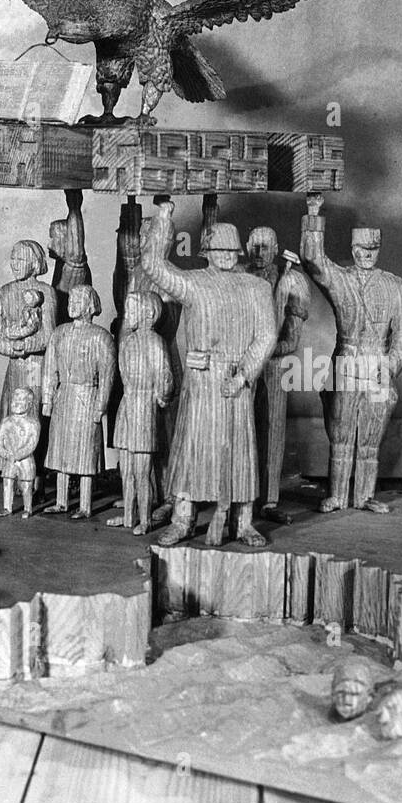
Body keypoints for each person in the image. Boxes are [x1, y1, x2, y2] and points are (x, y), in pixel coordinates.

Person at [142, 199, 277, 547]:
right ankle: (183, 519)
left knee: (241, 452)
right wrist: (164, 217)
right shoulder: (194, 283)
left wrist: (244, 375)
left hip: (237, 378)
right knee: (191, 448)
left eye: (232, 249)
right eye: (219, 248)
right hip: (202, 380)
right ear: (206, 251)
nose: (227, 254)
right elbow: (153, 265)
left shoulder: (257, 288)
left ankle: (244, 522)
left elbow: (266, 335)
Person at [300, 194, 402, 513]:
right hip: (347, 364)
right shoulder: (342, 280)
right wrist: (312, 213)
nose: (367, 255)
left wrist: (389, 366)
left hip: (377, 366)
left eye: (373, 250)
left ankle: (364, 496)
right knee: (342, 436)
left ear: (379, 250)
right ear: (353, 250)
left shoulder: (397, 287)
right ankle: (337, 495)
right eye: (362, 250)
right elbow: (313, 260)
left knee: (369, 442)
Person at [245, 225, 310, 523]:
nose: (259, 253)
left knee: (272, 429)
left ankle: (269, 500)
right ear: (246, 247)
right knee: (240, 428)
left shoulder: (290, 281)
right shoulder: (239, 277)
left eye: (266, 247)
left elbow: (292, 339)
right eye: (255, 246)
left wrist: (266, 349)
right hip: (244, 362)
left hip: (273, 365)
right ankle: (241, 494)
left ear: (276, 248)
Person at [42, 285, 116, 520]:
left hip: (87, 398)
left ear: (90, 306)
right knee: (61, 451)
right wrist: (47, 399)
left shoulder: (101, 337)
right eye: (71, 299)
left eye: (78, 300)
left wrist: (100, 407)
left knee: (85, 454)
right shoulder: (59, 333)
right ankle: (61, 501)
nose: (72, 304)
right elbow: (50, 369)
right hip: (64, 396)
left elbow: (107, 376)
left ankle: (85, 505)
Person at [0, 239, 56, 470]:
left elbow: (49, 337)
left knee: (34, 417)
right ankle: (12, 473)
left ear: (35, 263)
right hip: (15, 367)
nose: (14, 264)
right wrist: (13, 348)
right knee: (13, 417)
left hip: (37, 368)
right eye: (12, 258)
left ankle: (36, 477)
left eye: (21, 259)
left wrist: (24, 346)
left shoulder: (46, 292)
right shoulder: (5, 292)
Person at [109, 292, 173, 535]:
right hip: (128, 404)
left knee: (142, 470)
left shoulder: (156, 343)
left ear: (148, 314)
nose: (128, 316)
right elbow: (123, 375)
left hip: (144, 407)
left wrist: (161, 397)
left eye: (132, 311)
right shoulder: (127, 342)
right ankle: (127, 515)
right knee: (126, 467)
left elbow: (165, 377)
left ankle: (145, 519)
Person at [0, 387, 40, 518]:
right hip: (9, 459)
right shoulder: (6, 421)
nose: (17, 403)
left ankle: (27, 508)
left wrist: (18, 455)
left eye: (21, 400)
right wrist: (4, 453)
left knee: (26, 485)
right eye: (15, 399)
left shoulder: (33, 423)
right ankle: (7, 507)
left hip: (25, 460)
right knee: (7, 482)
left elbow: (32, 444)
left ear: (29, 404)